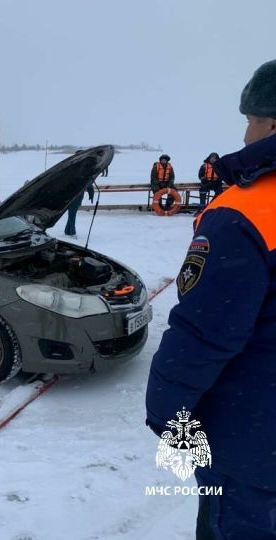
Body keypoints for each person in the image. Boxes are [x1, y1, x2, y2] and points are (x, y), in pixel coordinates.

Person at [146, 59, 276, 539]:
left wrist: (168, 417)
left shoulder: (245, 214)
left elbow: (204, 333)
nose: (244, 135)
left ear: (272, 123)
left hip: (254, 445)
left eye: (249, 120)